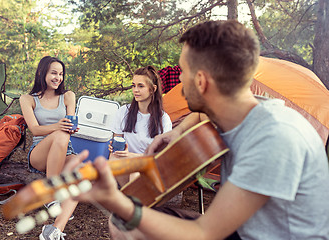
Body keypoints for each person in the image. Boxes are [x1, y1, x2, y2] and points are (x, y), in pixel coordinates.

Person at [66, 20, 329, 239]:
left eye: (183, 73)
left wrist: (116, 200)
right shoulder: (248, 108)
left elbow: (205, 233)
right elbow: (203, 113)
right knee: (124, 227)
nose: (178, 81)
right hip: (242, 230)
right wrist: (178, 132)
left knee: (127, 218)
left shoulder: (274, 139)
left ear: (201, 81)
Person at [20, 56, 79, 240]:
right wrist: (59, 127)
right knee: (61, 134)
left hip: (65, 151)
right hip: (40, 153)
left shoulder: (68, 96)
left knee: (81, 174)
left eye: (61, 74)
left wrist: (71, 128)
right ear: (41, 73)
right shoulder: (28, 99)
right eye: (53, 73)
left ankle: (55, 230)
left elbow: (68, 128)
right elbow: (35, 130)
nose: (58, 78)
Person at [109, 65, 172, 186]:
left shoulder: (164, 119)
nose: (135, 90)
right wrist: (115, 148)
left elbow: (161, 157)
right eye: (133, 85)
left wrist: (132, 156)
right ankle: (128, 196)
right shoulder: (123, 112)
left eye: (140, 86)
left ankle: (131, 199)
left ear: (153, 89)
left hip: (150, 167)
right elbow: (117, 142)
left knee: (136, 171)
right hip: (127, 165)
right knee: (114, 158)